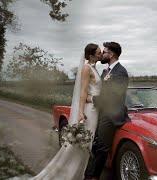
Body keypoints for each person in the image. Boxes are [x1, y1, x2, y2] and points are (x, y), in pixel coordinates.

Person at [30, 43, 102, 180]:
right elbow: (83, 92)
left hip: (95, 109)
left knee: (87, 143)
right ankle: (69, 174)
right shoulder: (87, 69)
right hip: (90, 111)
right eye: (98, 53)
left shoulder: (94, 68)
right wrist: (81, 112)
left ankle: (79, 172)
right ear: (92, 55)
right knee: (82, 143)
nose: (101, 54)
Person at [84, 42, 130, 180]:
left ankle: (94, 177)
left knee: (101, 147)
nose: (102, 55)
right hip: (103, 112)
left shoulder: (120, 72)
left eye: (104, 52)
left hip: (112, 114)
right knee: (95, 145)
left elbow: (112, 98)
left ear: (112, 54)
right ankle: (89, 173)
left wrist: (90, 99)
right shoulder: (107, 71)